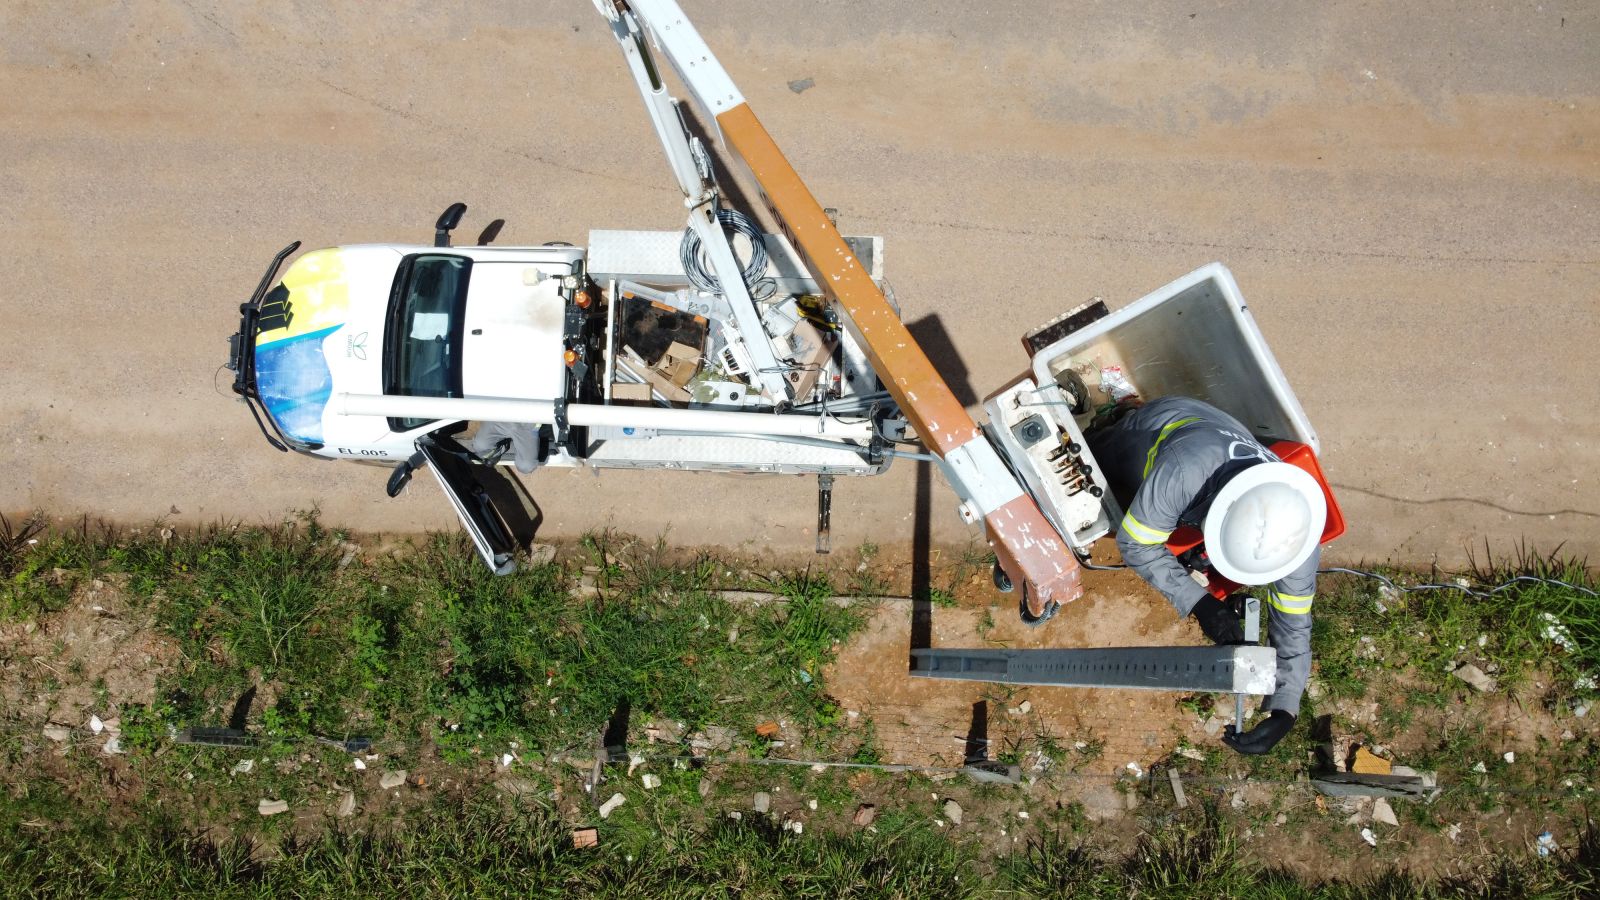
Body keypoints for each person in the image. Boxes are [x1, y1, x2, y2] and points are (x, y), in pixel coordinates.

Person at [1086, 396, 1326, 755]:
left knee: (1168, 531)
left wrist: (1285, 708)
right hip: (1160, 428)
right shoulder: (1186, 469)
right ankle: (1115, 420)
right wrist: (1201, 604)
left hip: (1212, 437)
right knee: (1094, 469)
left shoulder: (1295, 535)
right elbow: (1135, 544)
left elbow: (1294, 625)